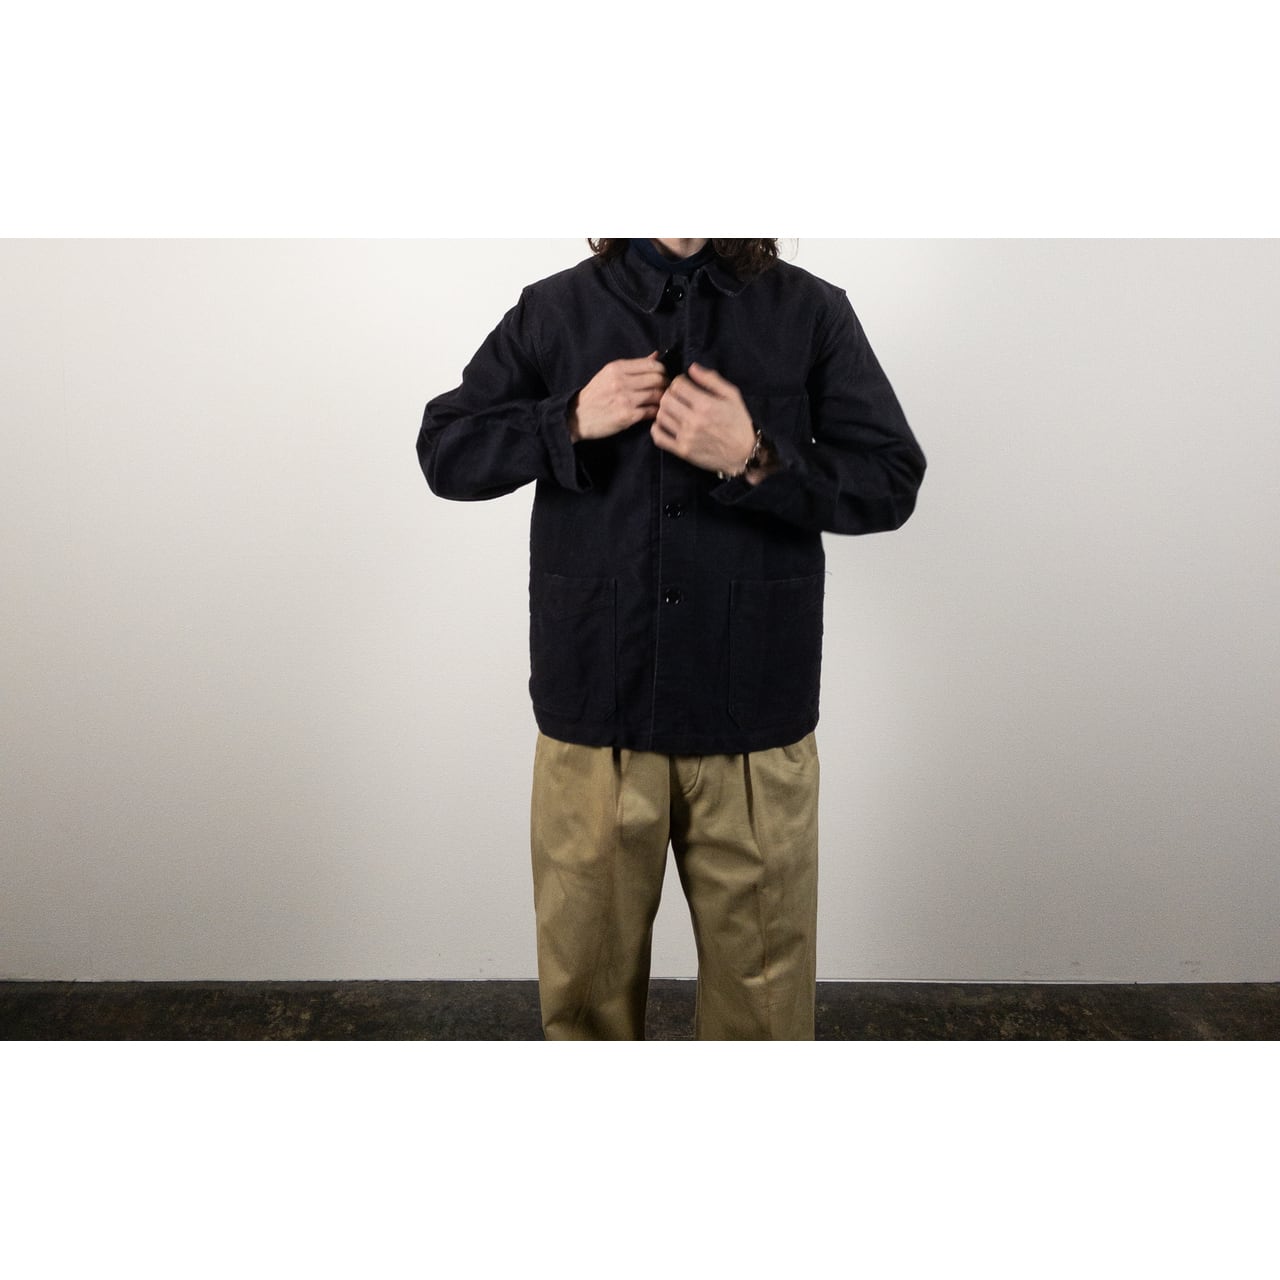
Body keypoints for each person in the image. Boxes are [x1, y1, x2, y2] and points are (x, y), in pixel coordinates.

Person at [417, 238, 926, 1040]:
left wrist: (756, 455)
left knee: (765, 1016)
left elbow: (891, 480)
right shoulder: (555, 310)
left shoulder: (811, 312)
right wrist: (566, 420)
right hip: (598, 712)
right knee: (584, 1010)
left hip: (754, 717)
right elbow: (446, 451)